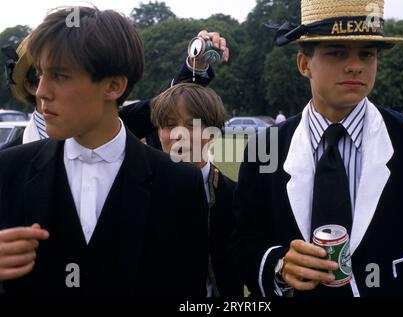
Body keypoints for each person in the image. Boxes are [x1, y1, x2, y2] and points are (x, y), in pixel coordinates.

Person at [232, 0, 403, 297]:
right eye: (337, 52)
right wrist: (279, 266)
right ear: (304, 64)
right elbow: (243, 242)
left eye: (367, 54)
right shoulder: (265, 145)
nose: (355, 65)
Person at [0, 6, 209, 296]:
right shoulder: (8, 170)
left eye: (59, 76)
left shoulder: (180, 183)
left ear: (113, 86)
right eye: (40, 75)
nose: (41, 92)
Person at [1, 30, 229, 150]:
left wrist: (195, 65)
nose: (45, 87)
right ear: (27, 86)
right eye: (36, 76)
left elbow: (165, 106)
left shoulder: (115, 128)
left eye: (61, 74)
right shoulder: (7, 163)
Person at [151, 83, 243, 297]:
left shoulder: (235, 198)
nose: (178, 135)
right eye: (168, 125)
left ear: (212, 133)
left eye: (191, 125)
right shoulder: (140, 194)